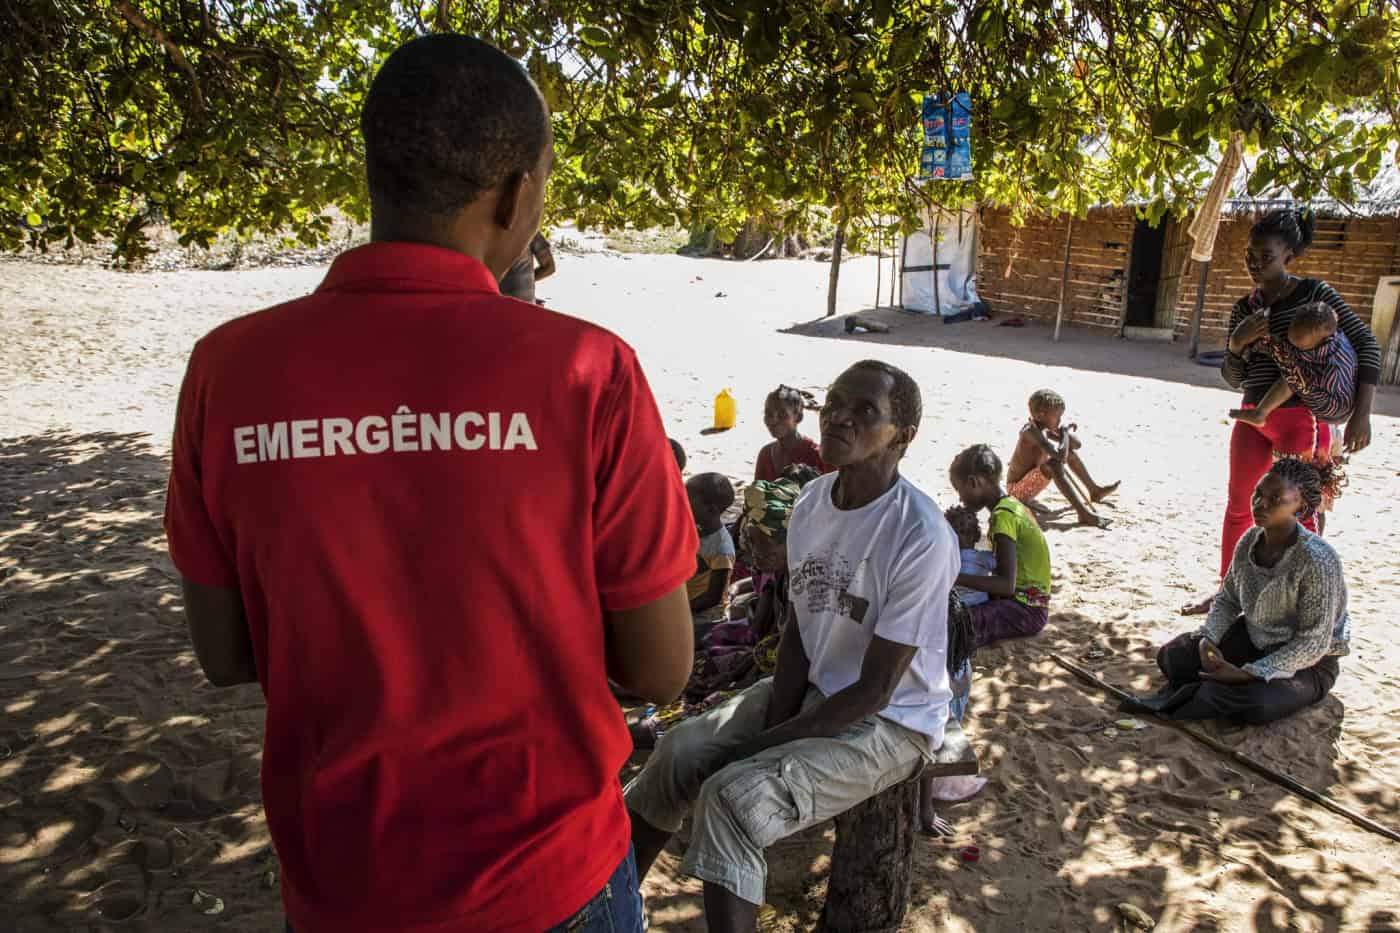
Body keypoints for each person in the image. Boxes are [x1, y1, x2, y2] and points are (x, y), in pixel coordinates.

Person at [163, 35, 697, 933]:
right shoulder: (588, 371)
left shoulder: (227, 371)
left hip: (343, 885)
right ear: (519, 192)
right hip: (553, 880)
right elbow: (658, 667)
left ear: (376, 176)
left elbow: (227, 656)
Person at [624, 360, 959, 933]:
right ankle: (615, 912)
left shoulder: (919, 534)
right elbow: (802, 627)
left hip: (891, 723)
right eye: (833, 404)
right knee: (678, 751)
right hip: (817, 693)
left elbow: (874, 691)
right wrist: (774, 717)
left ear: (903, 436)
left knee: (733, 799)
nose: (839, 419)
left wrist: (762, 747)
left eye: (863, 412)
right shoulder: (812, 503)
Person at [1185, 207, 1379, 615]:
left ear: (1289, 255)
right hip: (1252, 414)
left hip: (1300, 418)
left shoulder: (1315, 296)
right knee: (1240, 504)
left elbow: (1367, 344)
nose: (1256, 264)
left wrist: (1363, 413)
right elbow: (1232, 377)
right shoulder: (1246, 307)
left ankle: (1309, 600)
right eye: (1250, 256)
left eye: (1266, 256)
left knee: (1298, 511)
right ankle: (1229, 592)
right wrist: (1237, 344)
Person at [1128, 458, 1349, 723]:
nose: (1260, 504)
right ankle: (1222, 685)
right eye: (1258, 494)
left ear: (1300, 507)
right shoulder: (1249, 541)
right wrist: (1208, 640)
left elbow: (1313, 643)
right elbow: (1228, 599)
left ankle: (1229, 687)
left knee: (1257, 705)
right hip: (1256, 638)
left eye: (1276, 499)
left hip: (1309, 663)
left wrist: (1250, 673)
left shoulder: (1317, 560)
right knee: (1175, 655)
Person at [949, 444, 1054, 648]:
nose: (961, 499)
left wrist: (954, 577)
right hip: (1023, 603)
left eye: (959, 490)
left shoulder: (1003, 517)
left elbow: (1006, 585)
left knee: (955, 624)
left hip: (1025, 610)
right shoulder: (1012, 506)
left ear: (973, 482)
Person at [1229, 301, 1357, 428]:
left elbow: (1298, 378)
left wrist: (1274, 348)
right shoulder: (1326, 335)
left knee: (1290, 370)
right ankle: (1260, 413)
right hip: (1319, 381)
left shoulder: (1335, 368)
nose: (1296, 347)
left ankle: (1260, 413)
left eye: (1302, 347)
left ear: (1323, 340)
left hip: (1332, 406)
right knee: (1291, 371)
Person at [1004, 389, 1117, 529]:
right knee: (1054, 465)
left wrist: (1062, 432)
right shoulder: (1031, 431)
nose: (1059, 420)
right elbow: (1059, 457)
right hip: (1016, 491)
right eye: (1057, 416)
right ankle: (1083, 513)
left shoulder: (1044, 427)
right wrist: (1063, 432)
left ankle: (1094, 491)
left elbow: (1076, 445)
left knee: (1068, 453)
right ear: (1040, 415)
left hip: (1030, 484)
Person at [687, 473, 738, 614]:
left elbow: (713, 598)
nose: (682, 504)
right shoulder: (694, 529)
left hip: (704, 617)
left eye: (688, 501)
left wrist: (679, 610)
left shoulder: (721, 549)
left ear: (711, 510)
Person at [754, 384, 826, 481]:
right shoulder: (765, 454)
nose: (773, 420)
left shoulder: (816, 455)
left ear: (799, 417)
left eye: (782, 414)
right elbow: (756, 492)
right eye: (769, 413)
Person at [945, 504, 994, 608]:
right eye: (959, 532)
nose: (961, 538)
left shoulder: (944, 559)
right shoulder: (984, 558)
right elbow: (1004, 564)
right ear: (977, 536)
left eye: (964, 532)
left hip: (954, 610)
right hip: (981, 607)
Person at [498, 231, 555, 302]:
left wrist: (523, 282)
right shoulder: (483, 229)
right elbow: (549, 266)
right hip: (492, 302)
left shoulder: (529, 228)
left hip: (522, 305)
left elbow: (549, 267)